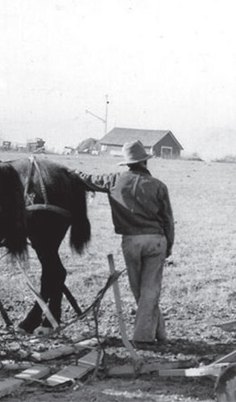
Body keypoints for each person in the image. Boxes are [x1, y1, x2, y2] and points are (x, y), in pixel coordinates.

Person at [75, 140, 174, 345]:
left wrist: (72, 173)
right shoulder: (158, 186)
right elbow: (168, 220)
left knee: (139, 290)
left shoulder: (114, 180)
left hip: (131, 241)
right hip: (156, 240)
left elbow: (88, 179)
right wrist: (169, 246)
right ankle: (150, 334)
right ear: (145, 163)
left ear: (127, 164)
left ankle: (152, 334)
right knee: (151, 288)